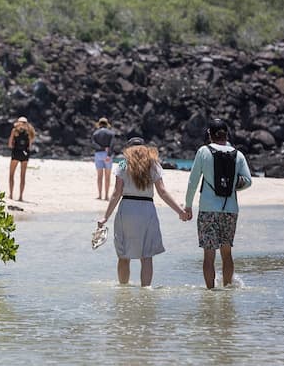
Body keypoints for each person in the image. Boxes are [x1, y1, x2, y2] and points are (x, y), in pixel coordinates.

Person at [98, 137, 188, 286]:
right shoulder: (153, 164)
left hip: (127, 208)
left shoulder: (122, 164)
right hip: (147, 210)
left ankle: (123, 291)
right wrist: (180, 211)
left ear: (128, 149)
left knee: (123, 255)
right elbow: (163, 192)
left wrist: (105, 217)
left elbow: (116, 193)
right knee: (146, 256)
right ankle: (146, 291)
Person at [185, 118, 252, 289]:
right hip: (230, 209)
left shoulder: (203, 151)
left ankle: (210, 292)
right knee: (227, 252)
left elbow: (193, 181)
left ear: (209, 134)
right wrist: (232, 186)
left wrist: (188, 205)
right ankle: (228, 289)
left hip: (208, 208)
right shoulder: (238, 154)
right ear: (226, 134)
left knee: (209, 255)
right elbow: (248, 181)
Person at [8, 116, 36, 201]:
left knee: (11, 174)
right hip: (25, 154)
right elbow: (30, 146)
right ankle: (20, 197)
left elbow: (9, 144)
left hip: (16, 153)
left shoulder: (15, 131)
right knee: (22, 176)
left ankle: (11, 195)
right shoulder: (30, 132)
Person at [91, 117, 115, 200]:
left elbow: (93, 144)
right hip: (107, 155)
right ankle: (106, 196)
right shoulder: (111, 133)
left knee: (99, 176)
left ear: (99, 124)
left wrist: (101, 148)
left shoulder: (95, 133)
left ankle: (100, 195)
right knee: (107, 176)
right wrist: (108, 154)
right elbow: (112, 145)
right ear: (106, 124)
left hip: (98, 154)